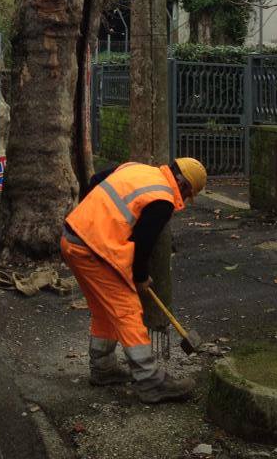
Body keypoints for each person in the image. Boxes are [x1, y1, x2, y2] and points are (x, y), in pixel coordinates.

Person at [61, 157, 207, 404]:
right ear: (184, 186)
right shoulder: (162, 199)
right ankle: (151, 382)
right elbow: (142, 244)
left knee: (104, 310)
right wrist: (140, 278)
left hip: (72, 238)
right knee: (127, 311)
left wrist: (91, 220)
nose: (185, 199)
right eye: (188, 194)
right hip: (94, 250)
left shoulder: (136, 169)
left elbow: (95, 180)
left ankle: (103, 368)